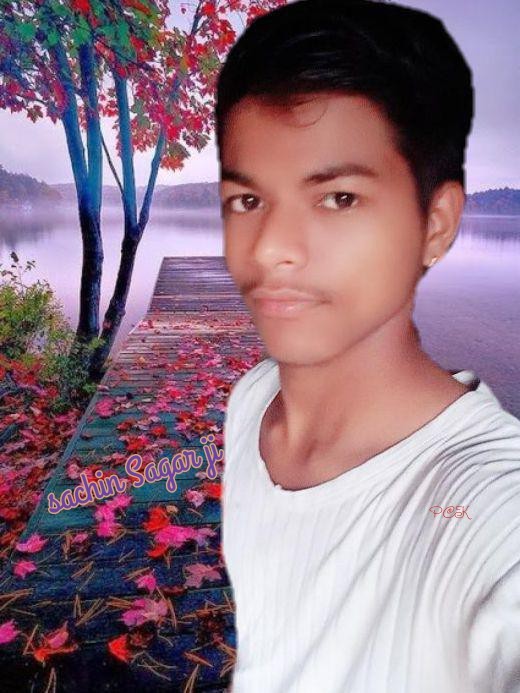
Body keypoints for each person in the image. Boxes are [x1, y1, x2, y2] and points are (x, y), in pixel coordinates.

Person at [214, 1, 520, 691]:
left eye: (339, 199)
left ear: (435, 225)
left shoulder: (490, 511)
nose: (271, 248)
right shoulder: (249, 402)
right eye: (248, 201)